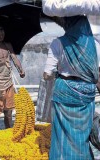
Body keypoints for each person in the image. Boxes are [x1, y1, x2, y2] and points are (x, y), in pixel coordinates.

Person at [43, 15, 100, 160]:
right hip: (87, 94)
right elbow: (98, 75)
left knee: (62, 134)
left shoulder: (58, 43)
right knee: (82, 134)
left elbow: (47, 74)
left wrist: (56, 73)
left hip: (65, 92)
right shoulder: (94, 44)